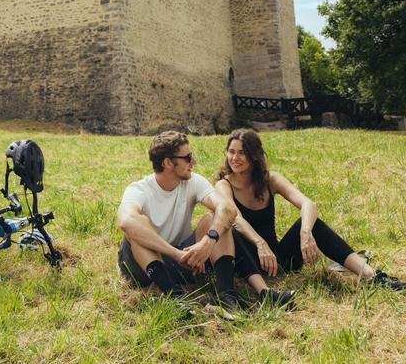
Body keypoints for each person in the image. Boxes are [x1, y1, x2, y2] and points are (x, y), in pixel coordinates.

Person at [215, 128, 406, 292]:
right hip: (246, 264)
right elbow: (236, 219)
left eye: (242, 152)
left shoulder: (270, 179)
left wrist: (305, 232)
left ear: (254, 156)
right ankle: (264, 292)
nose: (235, 157)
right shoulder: (224, 186)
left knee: (311, 222)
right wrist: (259, 243)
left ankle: (371, 276)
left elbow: (308, 204)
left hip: (277, 261)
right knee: (231, 229)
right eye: (231, 151)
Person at [117, 130, 293, 311]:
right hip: (141, 268)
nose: (194, 162)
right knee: (138, 225)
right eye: (188, 157)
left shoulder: (192, 181)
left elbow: (228, 209)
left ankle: (226, 295)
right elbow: (126, 221)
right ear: (168, 163)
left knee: (214, 218)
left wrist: (209, 241)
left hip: (183, 260)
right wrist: (175, 254)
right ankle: (175, 297)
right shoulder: (139, 189)